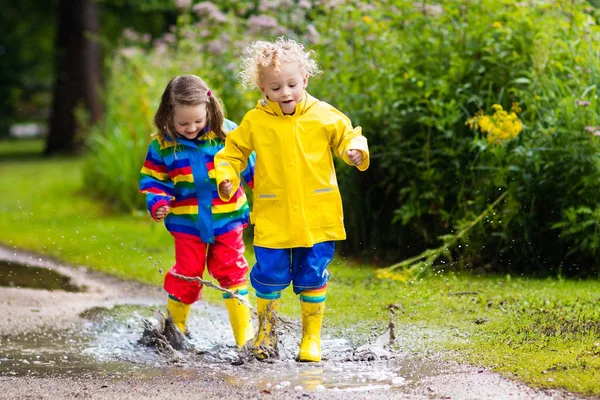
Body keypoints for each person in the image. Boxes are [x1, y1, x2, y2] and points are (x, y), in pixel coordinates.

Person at [215, 37, 370, 362]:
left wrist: (355, 151)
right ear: (262, 88)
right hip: (274, 216)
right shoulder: (255, 122)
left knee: (312, 275)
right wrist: (226, 177)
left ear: (305, 79)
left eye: (291, 84)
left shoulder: (323, 114)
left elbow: (347, 135)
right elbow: (231, 154)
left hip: (317, 216)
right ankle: (267, 333)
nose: (285, 92)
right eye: (275, 88)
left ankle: (310, 339)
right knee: (268, 276)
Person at [139, 75, 255, 348]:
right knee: (188, 274)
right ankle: (174, 333)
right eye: (183, 123)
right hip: (187, 224)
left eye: (198, 121)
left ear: (209, 109)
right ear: (169, 114)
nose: (191, 128)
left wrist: (265, 195)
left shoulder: (227, 135)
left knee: (231, 271)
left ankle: (245, 338)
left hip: (227, 220)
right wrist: (158, 202)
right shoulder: (162, 145)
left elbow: (253, 169)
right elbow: (154, 180)